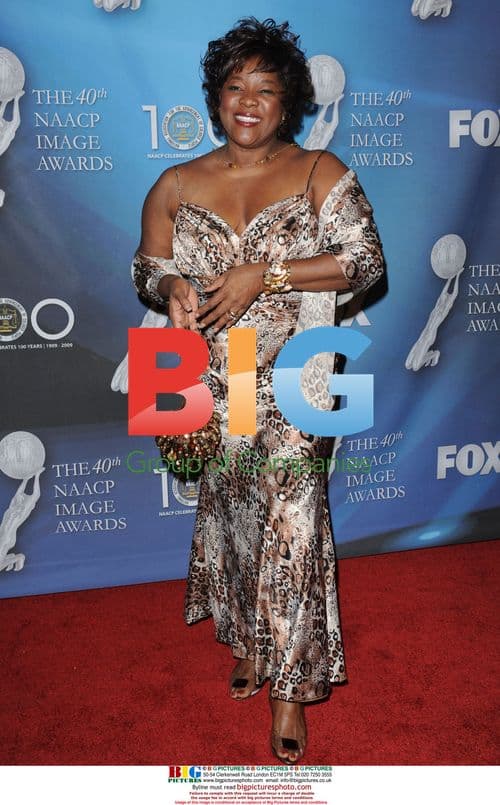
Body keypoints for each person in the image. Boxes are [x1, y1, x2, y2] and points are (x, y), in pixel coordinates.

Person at [132, 17, 385, 764]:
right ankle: (248, 634)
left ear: (289, 104)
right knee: (237, 507)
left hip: (300, 364)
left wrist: (265, 274)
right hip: (210, 367)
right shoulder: (177, 183)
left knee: (295, 514)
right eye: (236, 86)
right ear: (215, 99)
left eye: (267, 89)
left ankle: (288, 684)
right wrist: (173, 281)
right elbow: (145, 270)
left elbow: (364, 262)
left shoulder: (319, 172)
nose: (249, 101)